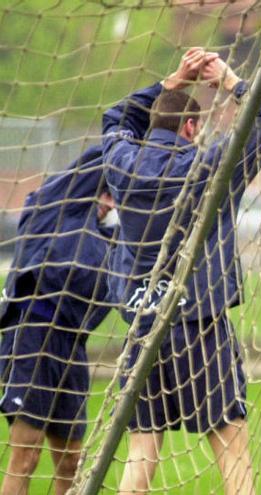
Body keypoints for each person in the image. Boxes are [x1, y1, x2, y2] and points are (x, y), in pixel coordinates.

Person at [100, 47, 261, 495]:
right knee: (231, 449)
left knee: (141, 454)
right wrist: (229, 81)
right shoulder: (206, 166)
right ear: (191, 127)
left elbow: (115, 118)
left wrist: (171, 82)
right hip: (198, 322)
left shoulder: (122, 164)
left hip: (142, 324)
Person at [0, 146, 116, 494]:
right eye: (106, 192)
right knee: (26, 455)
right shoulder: (52, 208)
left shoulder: (111, 242)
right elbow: (98, 159)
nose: (109, 201)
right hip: (33, 334)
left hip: (72, 347)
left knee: (70, 462)